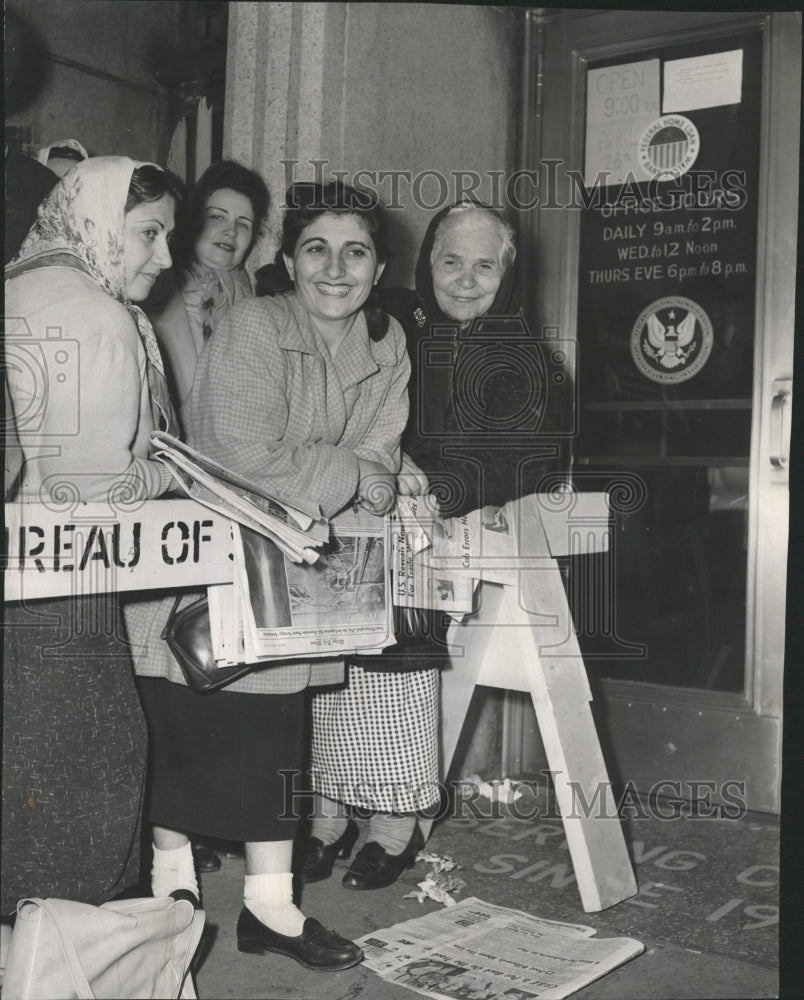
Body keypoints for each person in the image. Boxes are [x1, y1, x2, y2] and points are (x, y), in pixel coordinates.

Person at [125, 180, 409, 972]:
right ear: (287, 259)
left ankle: (269, 909)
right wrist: (355, 473)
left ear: (379, 267)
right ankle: (171, 896)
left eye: (356, 251)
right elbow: (244, 456)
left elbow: (384, 456)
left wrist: (361, 474)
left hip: (298, 578)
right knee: (185, 730)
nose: (335, 267)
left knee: (274, 746)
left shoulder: (387, 346)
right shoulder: (256, 323)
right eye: (315, 247)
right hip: (210, 569)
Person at [304, 200, 562, 890]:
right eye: (450, 261)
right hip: (371, 516)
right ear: (427, 266)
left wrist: (430, 487)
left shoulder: (526, 359)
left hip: (449, 542)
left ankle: (396, 818)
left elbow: (517, 463)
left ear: (508, 270)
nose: (466, 279)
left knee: (391, 610)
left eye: (484, 264)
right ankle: (325, 811)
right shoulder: (395, 322)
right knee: (314, 623)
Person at [3, 156, 182, 914]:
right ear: (100, 222)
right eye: (148, 234)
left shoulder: (15, 288)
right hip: (71, 593)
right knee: (93, 781)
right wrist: (168, 475)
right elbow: (97, 490)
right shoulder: (97, 315)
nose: (165, 257)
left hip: (14, 583)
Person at [147, 159, 269, 427]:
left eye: (244, 224)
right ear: (193, 220)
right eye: (217, 216)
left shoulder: (256, 308)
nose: (231, 230)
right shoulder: (151, 286)